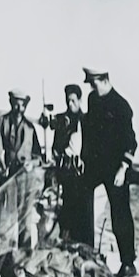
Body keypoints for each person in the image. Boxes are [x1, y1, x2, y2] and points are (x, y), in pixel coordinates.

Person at [81, 67, 138, 277]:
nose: (90, 87)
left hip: (116, 168)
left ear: (103, 80)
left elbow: (131, 142)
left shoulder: (122, 106)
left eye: (93, 82)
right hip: (95, 166)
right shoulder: (92, 100)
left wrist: (123, 169)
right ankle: (86, 253)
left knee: (120, 213)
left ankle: (128, 263)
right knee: (81, 200)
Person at [0, 88, 43, 251]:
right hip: (7, 178)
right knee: (5, 221)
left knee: (25, 222)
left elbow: (38, 157)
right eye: (16, 104)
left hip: (26, 179)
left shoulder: (30, 128)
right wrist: (2, 165)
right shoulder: (0, 123)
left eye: (23, 106)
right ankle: (1, 258)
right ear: (11, 103)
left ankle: (23, 259)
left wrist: (32, 164)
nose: (19, 109)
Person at [52, 84, 94, 246]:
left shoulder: (87, 120)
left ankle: (85, 247)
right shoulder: (62, 120)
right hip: (67, 173)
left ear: (80, 100)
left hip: (83, 174)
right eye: (68, 101)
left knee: (85, 213)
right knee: (68, 211)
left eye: (73, 101)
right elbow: (56, 146)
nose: (70, 104)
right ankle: (67, 245)